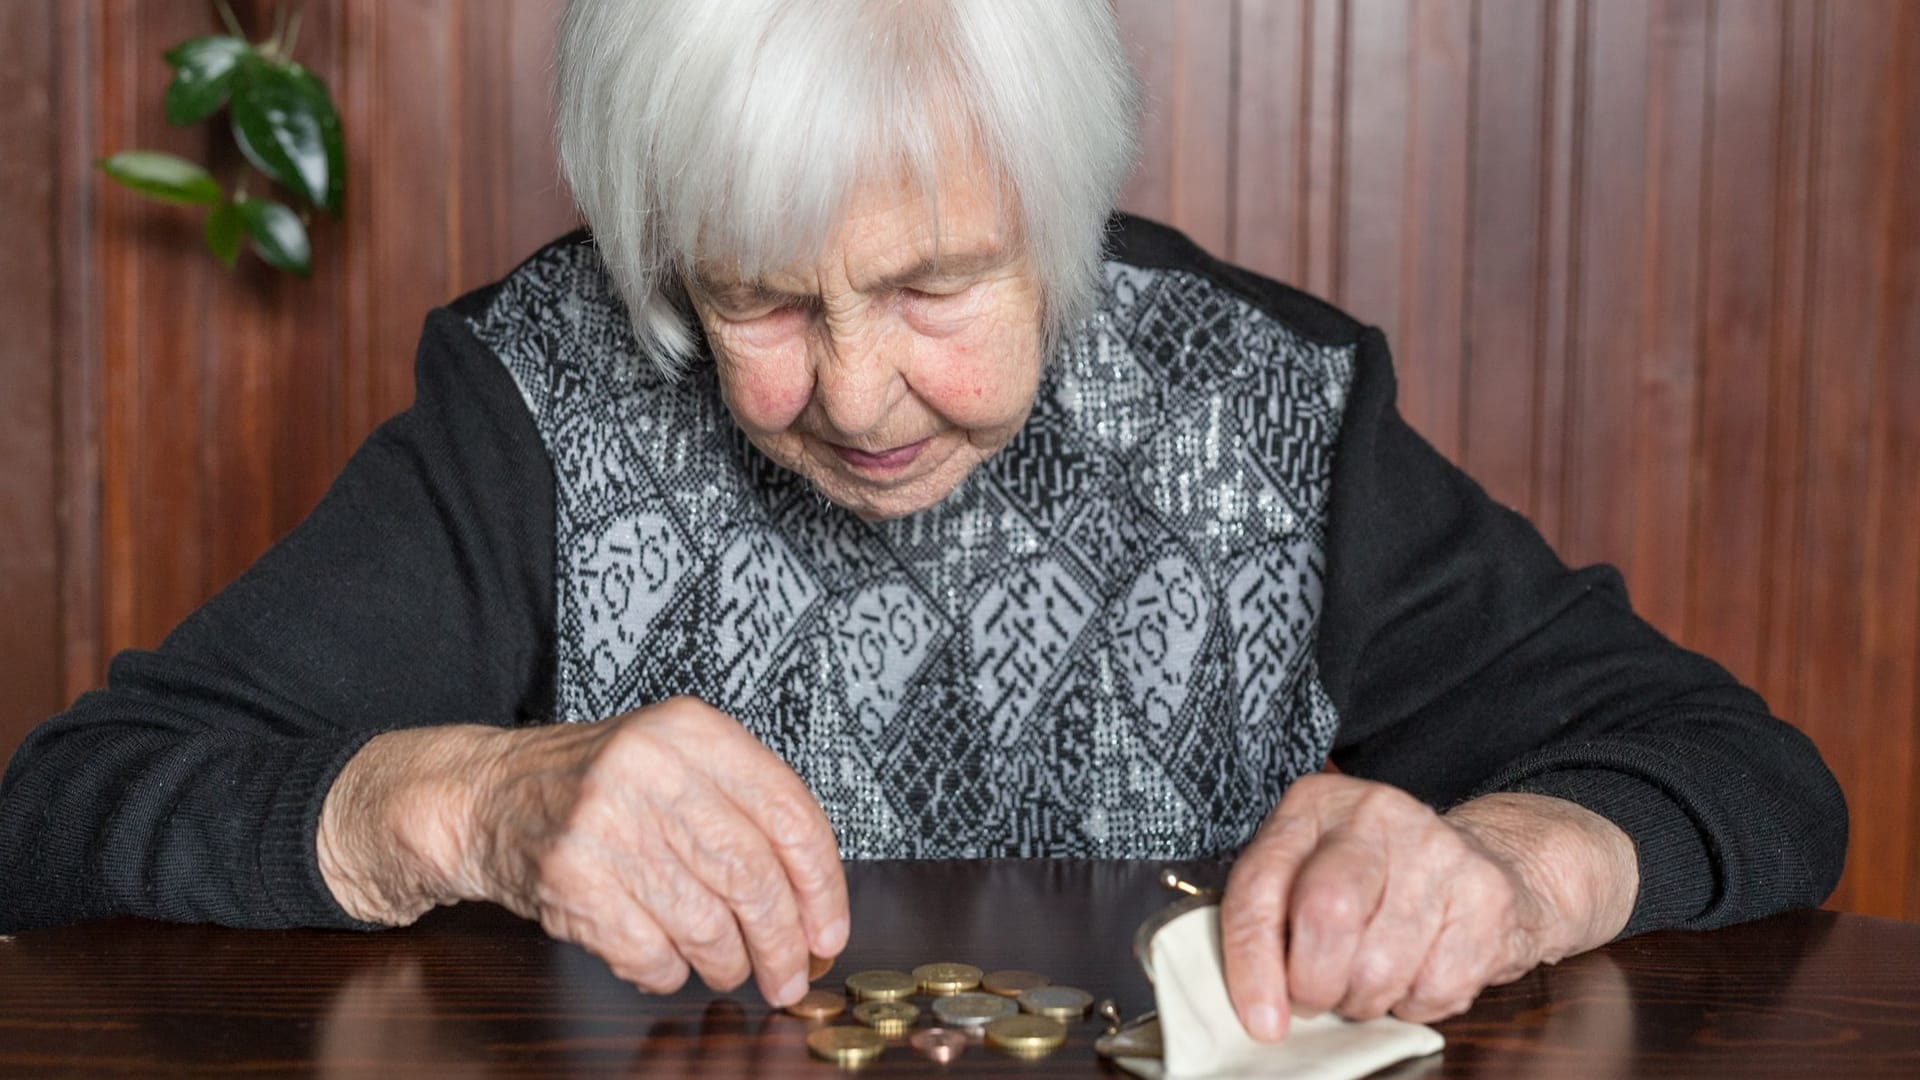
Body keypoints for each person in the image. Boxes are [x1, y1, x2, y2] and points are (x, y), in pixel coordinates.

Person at [0, 0, 1844, 1043]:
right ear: (670, 264)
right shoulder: (531, 399)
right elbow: (61, 819)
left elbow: (1740, 772)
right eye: (764, 305)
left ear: (1060, 223)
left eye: (940, 287)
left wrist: (1511, 870)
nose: (864, 400)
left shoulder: (1268, 405)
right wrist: (465, 802)